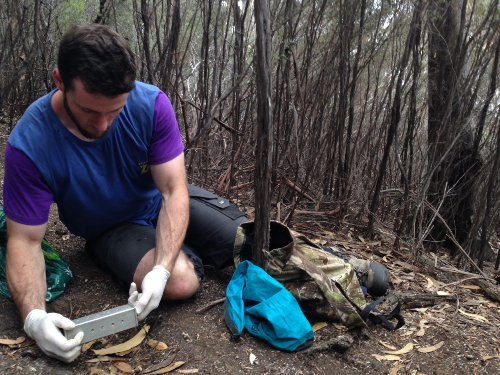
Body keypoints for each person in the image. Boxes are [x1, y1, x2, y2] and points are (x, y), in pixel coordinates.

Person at [2, 24, 246, 363]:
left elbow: (173, 190)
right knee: (179, 282)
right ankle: (161, 255)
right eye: (90, 111)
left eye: (114, 112)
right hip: (109, 227)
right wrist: (34, 318)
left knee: (250, 240)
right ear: (60, 81)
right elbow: (24, 240)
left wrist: (157, 269)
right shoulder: (30, 144)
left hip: (158, 202)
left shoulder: (151, 105)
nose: (103, 125)